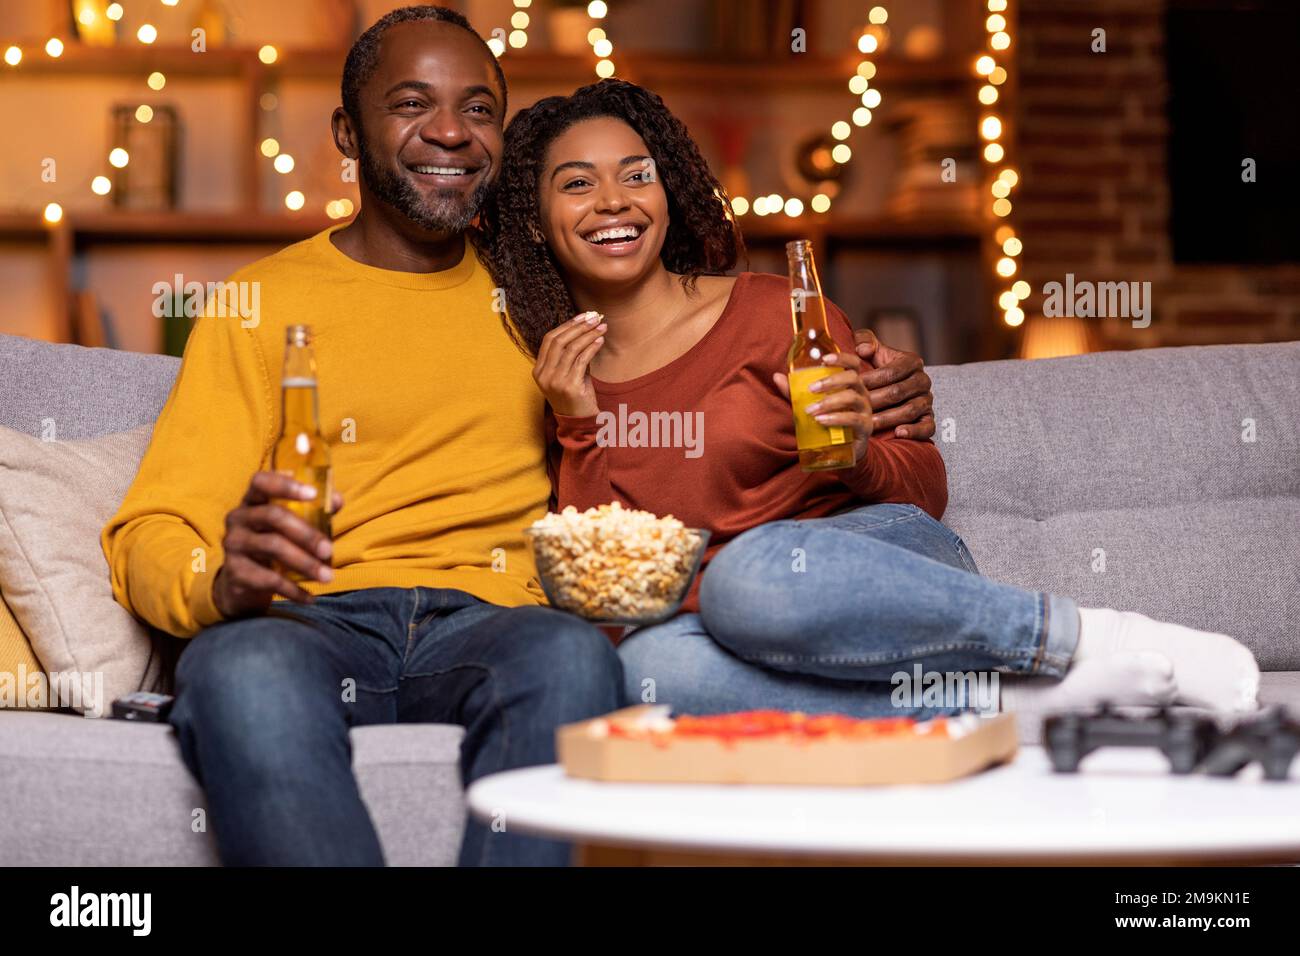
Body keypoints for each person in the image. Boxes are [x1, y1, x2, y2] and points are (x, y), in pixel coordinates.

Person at [479, 78, 1262, 721]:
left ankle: (1087, 635)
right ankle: (1004, 708)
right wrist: (578, 425)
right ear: (539, 223)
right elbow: (608, 590)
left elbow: (925, 490)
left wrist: (855, 455)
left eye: (636, 173)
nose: (612, 200)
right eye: (576, 184)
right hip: (720, 627)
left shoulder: (774, 311)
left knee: (750, 576)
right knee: (645, 669)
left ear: (669, 193)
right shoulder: (555, 371)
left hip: (872, 563)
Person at [100, 6, 632, 867]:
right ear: (348, 131)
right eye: (412, 103)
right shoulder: (258, 302)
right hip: (311, 621)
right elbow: (150, 533)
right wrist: (223, 584)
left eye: (480, 109)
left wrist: (870, 374)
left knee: (572, 659)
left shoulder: (540, 292)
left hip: (492, 623)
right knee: (240, 668)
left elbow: (694, 308)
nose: (452, 132)